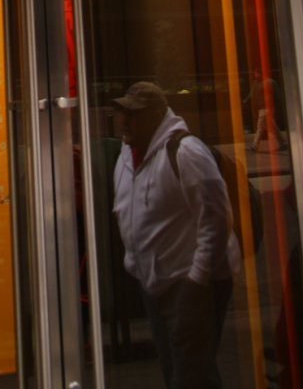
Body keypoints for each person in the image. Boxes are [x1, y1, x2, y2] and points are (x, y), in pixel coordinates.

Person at [111, 81, 238, 389]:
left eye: (134, 114)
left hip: (190, 282)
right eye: (123, 112)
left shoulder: (186, 152)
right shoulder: (128, 152)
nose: (125, 120)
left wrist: (197, 279)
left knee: (190, 373)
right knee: (178, 368)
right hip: (155, 282)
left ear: (156, 115)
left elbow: (216, 220)